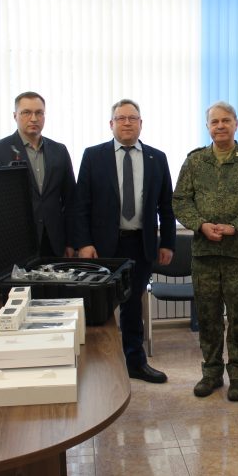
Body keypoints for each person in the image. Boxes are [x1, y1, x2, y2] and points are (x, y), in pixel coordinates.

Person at [74, 99, 175, 384]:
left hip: (140, 245)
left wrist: (167, 242)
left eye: (133, 118)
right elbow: (81, 204)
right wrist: (83, 242)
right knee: (98, 308)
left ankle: (135, 363)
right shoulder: (93, 156)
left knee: (132, 308)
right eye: (121, 118)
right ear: (111, 124)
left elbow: (166, 206)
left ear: (141, 123)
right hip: (103, 247)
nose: (127, 123)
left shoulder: (157, 158)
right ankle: (98, 368)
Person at [173, 101, 238, 402]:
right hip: (205, 255)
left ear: (236, 123)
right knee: (209, 318)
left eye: (226, 120)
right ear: (208, 127)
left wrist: (234, 227)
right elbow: (180, 201)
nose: (220, 126)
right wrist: (200, 225)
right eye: (214, 122)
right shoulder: (195, 161)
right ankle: (211, 373)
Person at [0, 91, 76, 257]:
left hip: (54, 241)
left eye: (39, 113)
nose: (34, 118)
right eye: (26, 112)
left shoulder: (59, 150)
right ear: (15, 116)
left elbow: (71, 200)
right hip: (16, 240)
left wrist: (72, 241)